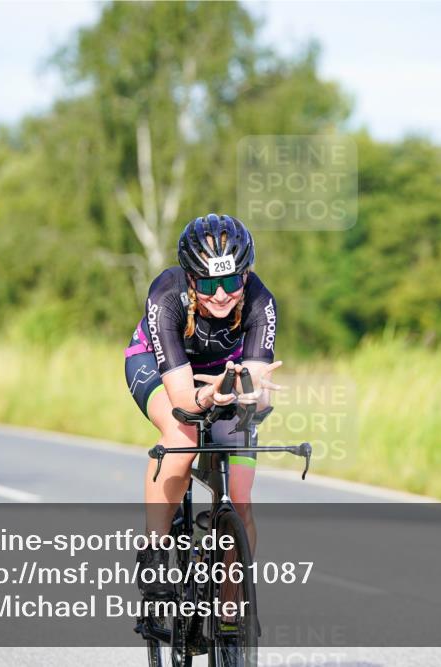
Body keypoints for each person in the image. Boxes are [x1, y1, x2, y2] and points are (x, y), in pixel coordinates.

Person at [124, 213, 282, 597]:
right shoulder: (166, 293)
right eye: (210, 283)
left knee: (240, 500)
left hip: (225, 375)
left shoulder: (261, 300)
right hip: (157, 365)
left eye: (232, 282)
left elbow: (258, 388)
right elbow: (182, 399)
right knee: (183, 433)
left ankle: (231, 610)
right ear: (192, 278)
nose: (222, 294)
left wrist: (250, 392)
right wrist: (207, 396)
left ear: (245, 275)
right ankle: (155, 551)